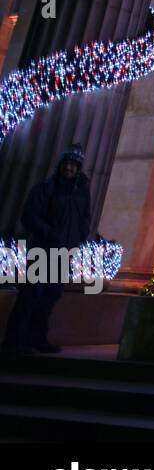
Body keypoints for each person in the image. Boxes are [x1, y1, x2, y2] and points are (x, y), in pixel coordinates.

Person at [2, 143, 91, 355]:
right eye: (66, 163)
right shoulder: (45, 188)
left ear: (79, 168)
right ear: (61, 165)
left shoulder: (82, 194)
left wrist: (79, 238)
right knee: (31, 295)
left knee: (51, 295)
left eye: (73, 164)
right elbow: (29, 216)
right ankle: (13, 341)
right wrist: (51, 234)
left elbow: (84, 219)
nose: (69, 168)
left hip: (64, 253)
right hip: (42, 249)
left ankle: (37, 338)